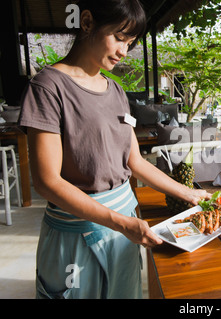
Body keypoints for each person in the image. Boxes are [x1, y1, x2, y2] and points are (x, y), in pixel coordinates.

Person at [18, 0, 210, 299]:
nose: (124, 50)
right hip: (79, 230)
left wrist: (187, 193)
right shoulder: (47, 87)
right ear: (87, 22)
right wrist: (120, 222)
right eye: (119, 37)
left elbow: (134, 160)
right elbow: (47, 181)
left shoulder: (116, 90)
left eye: (130, 42)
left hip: (125, 223)